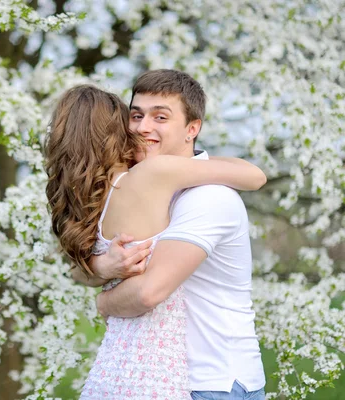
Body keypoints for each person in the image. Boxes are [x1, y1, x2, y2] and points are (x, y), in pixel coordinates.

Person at [45, 77, 266, 399]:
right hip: (150, 372)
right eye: (135, 116)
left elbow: (148, 292)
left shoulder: (208, 196)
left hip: (212, 382)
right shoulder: (125, 184)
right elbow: (80, 265)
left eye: (160, 117)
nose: (141, 127)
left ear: (192, 128)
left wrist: (103, 301)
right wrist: (102, 267)